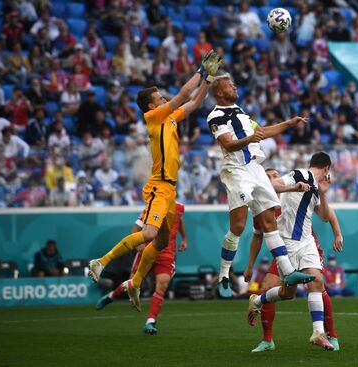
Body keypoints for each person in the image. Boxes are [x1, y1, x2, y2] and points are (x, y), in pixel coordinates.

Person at [88, 50, 223, 312]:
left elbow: (194, 103)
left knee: (161, 241)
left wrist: (208, 79)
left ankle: (134, 283)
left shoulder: (170, 118)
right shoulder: (153, 117)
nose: (164, 98)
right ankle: (101, 261)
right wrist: (200, 71)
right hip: (159, 186)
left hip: (171, 190)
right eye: (160, 97)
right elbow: (184, 95)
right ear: (152, 106)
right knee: (148, 234)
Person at [207, 74, 315, 298]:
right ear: (219, 92)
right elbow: (227, 144)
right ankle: (224, 275)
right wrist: (250, 139)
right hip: (236, 170)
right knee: (237, 226)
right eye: (229, 85)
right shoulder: (215, 116)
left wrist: (289, 123)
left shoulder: (241, 113)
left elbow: (263, 133)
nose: (233, 86)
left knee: (269, 222)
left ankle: (288, 271)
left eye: (233, 83)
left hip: (256, 168)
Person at [244, 167, 344, 352]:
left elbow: (326, 212)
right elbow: (257, 236)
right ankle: (267, 340)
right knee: (271, 289)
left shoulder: (294, 193)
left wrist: (337, 234)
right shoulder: (261, 206)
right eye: (268, 177)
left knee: (317, 285)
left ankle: (331, 335)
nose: (273, 179)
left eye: (276, 175)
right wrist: (250, 265)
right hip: (282, 253)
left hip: (305, 245)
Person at [96, 201, 187, 335]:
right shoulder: (150, 208)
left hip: (166, 255)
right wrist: (138, 244)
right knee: (131, 286)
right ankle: (111, 296)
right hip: (147, 253)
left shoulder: (179, 207)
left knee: (162, 286)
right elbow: (135, 229)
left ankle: (150, 322)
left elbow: (180, 222)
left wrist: (184, 238)